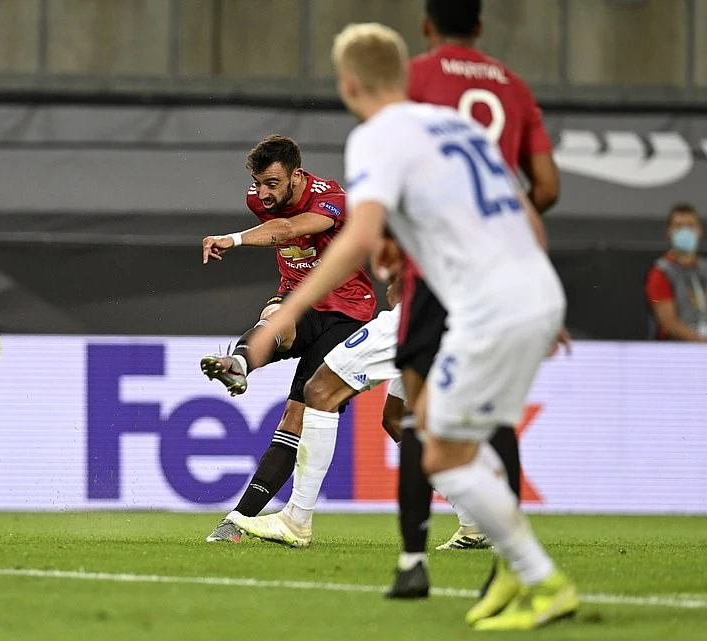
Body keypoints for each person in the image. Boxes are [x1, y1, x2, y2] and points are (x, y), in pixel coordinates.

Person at [245, 22, 578, 632]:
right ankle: (527, 574)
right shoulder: (458, 128)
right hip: (530, 294)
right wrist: (539, 291)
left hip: (472, 303)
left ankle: (523, 572)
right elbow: (526, 208)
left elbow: (358, 239)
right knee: (439, 437)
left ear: (349, 83)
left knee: (426, 438)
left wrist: (288, 311)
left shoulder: (379, 137)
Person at [403, 0, 563, 554]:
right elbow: (547, 186)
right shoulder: (513, 86)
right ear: (479, 26)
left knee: (414, 410)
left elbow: (398, 163)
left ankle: (412, 561)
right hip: (499, 269)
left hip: (437, 266)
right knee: (494, 414)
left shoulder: (416, 76)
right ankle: (510, 556)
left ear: (426, 26)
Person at [199, 134, 376, 543]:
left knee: (294, 418)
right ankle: (238, 364)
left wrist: (234, 239)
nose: (262, 194)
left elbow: (290, 229)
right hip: (300, 299)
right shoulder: (260, 199)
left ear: (297, 176)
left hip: (346, 314)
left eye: (272, 184)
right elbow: (277, 226)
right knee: (274, 317)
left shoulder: (332, 197)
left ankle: (237, 521)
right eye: (257, 183)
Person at [231, 277, 407, 547]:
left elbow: (347, 258)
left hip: (420, 313)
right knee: (396, 418)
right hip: (462, 321)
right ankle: (470, 523)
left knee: (321, 388)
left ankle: (297, 519)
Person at [646, 203, 707, 342]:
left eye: (690, 226)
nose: (685, 231)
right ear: (669, 232)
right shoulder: (661, 272)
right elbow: (668, 321)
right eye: (678, 226)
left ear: (700, 230)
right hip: (677, 347)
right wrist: (702, 344)